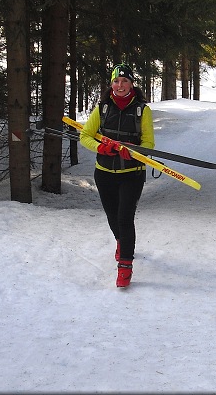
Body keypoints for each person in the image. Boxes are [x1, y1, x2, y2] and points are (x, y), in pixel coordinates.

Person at [80, 63, 155, 288]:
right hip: (104, 173)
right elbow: (86, 136)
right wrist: (101, 148)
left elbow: (149, 145)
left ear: (132, 84)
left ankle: (125, 266)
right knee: (113, 217)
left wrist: (132, 151)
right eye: (116, 81)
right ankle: (121, 243)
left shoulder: (142, 110)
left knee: (125, 218)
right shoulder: (102, 109)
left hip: (131, 174)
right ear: (111, 84)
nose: (120, 85)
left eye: (124, 81)